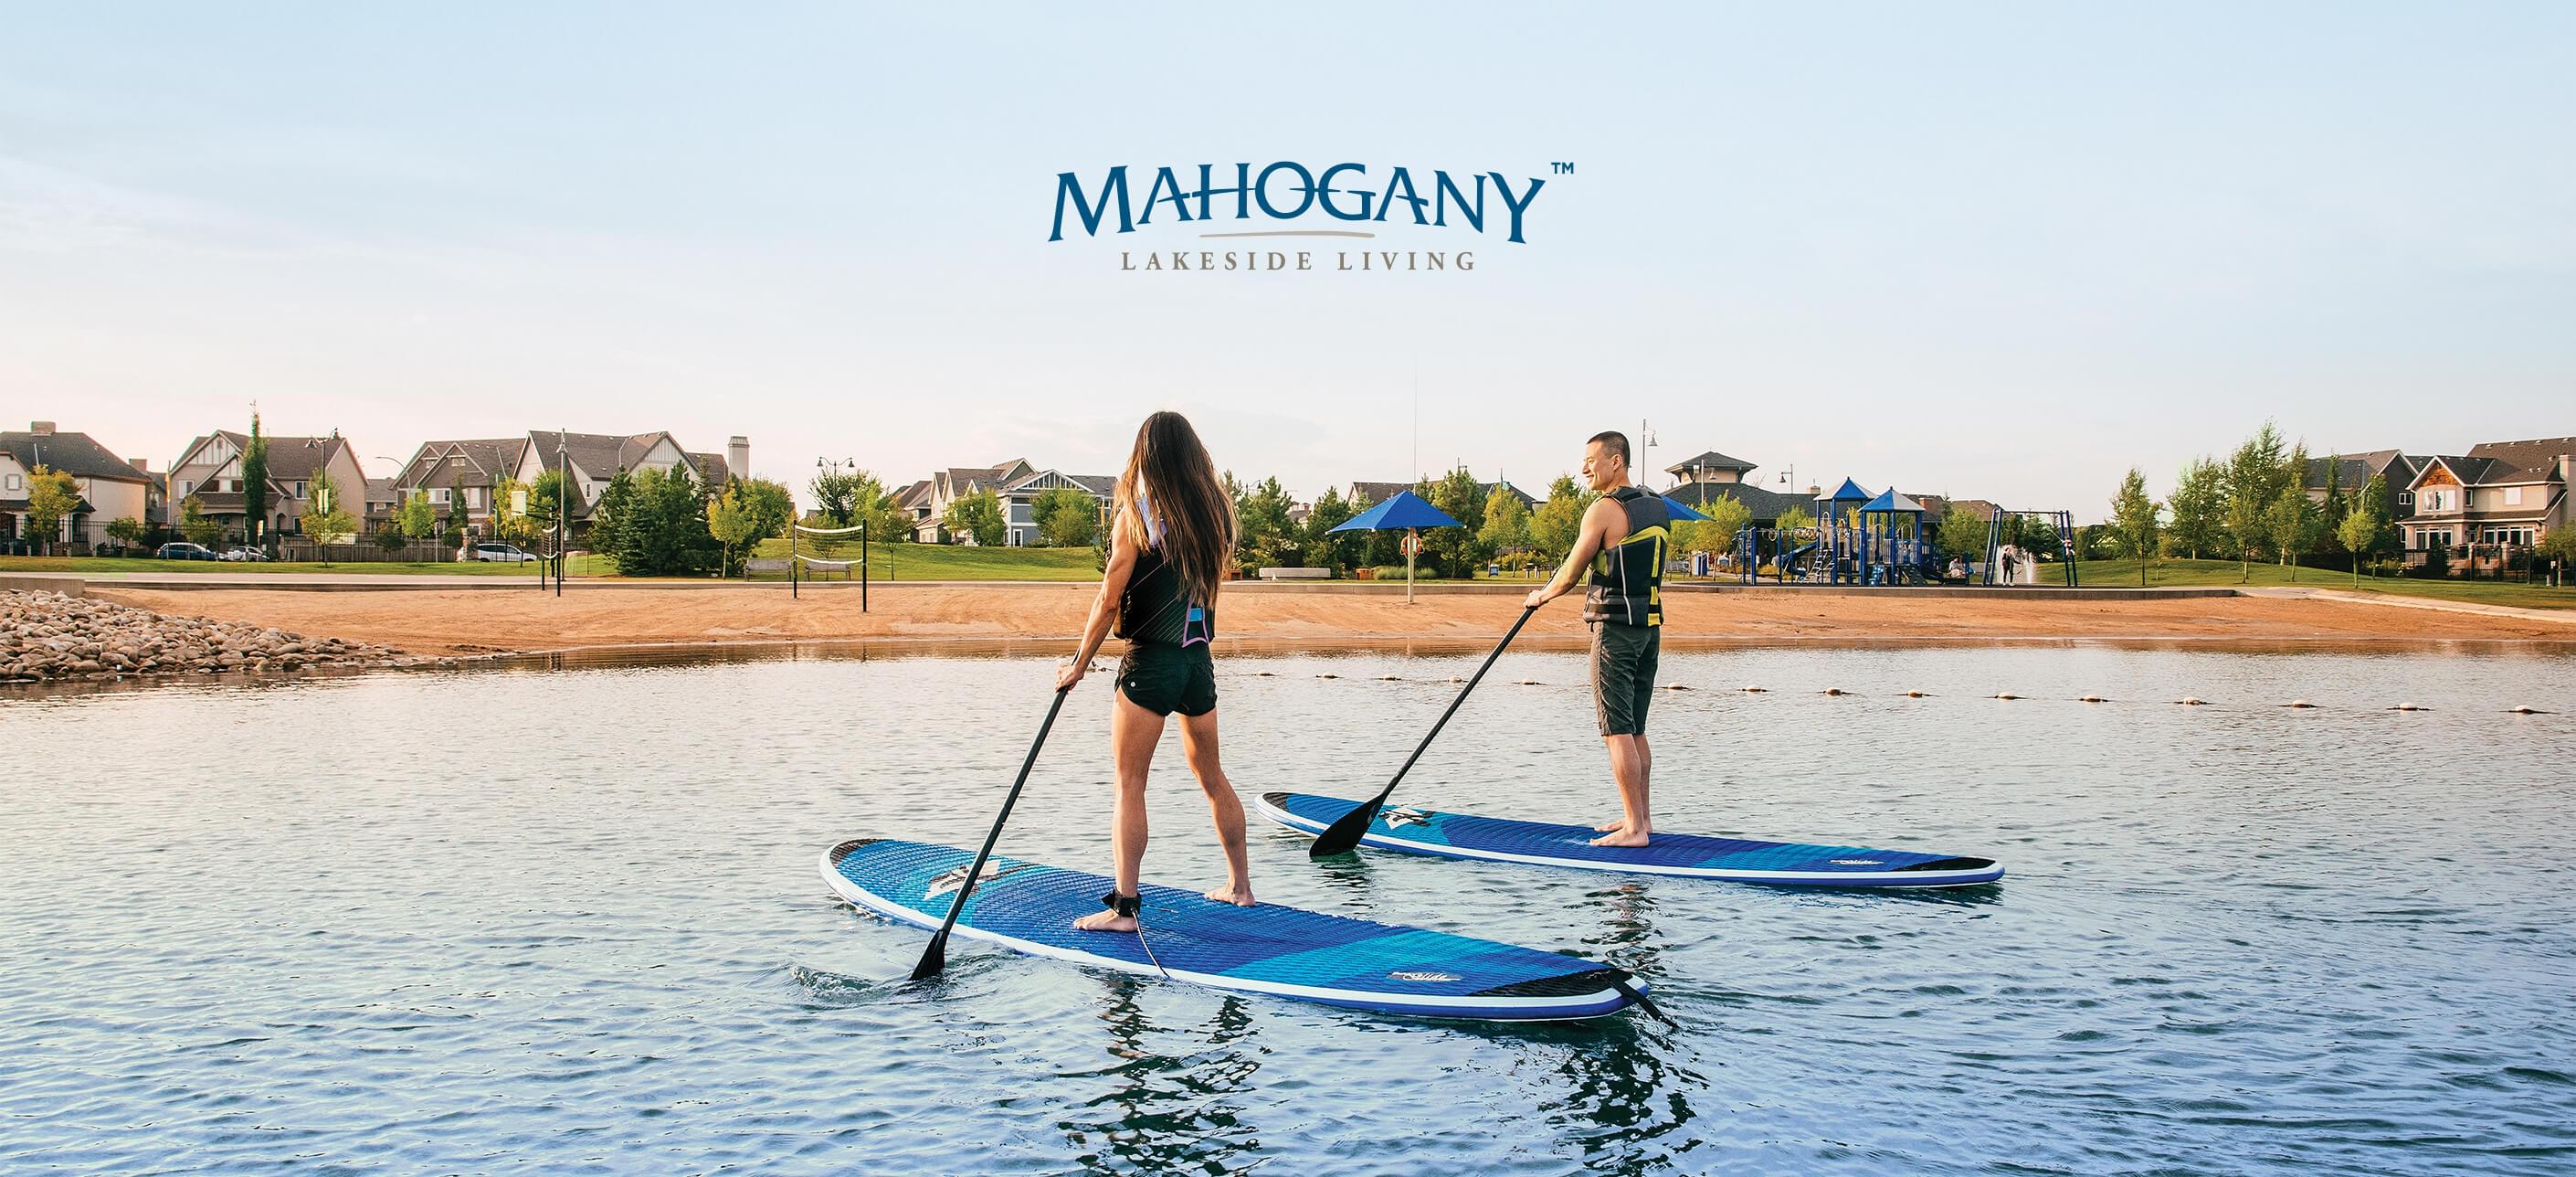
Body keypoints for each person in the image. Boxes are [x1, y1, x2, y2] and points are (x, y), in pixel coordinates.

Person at [1057, 411, 1254, 931]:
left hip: (1150, 663)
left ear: (1146, 455)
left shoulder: (1137, 515)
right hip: (1198, 664)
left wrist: (1078, 664)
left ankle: (1124, 909)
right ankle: (1241, 887)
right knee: (1213, 778)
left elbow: (1108, 598)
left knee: (1129, 783)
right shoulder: (1216, 516)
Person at [1523, 430, 1670, 847]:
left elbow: (1570, 572)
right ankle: (1641, 819)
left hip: (1616, 630)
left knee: (1616, 729)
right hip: (1649, 628)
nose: (1585, 468)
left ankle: (1634, 829)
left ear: (1616, 461)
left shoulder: (1604, 509)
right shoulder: (1656, 505)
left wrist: (1541, 595)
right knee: (1636, 727)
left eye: (1592, 460)